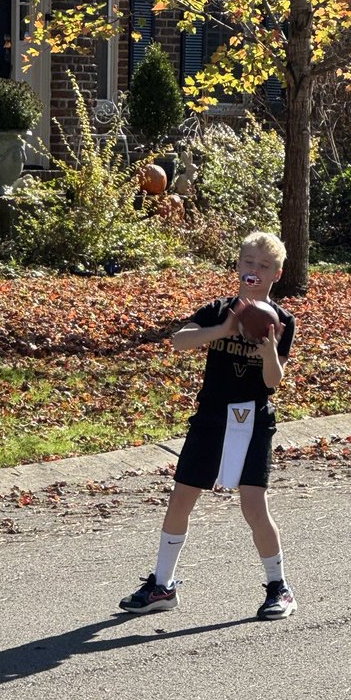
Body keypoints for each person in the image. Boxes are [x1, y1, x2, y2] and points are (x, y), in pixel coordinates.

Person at [119, 230, 297, 621]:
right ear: (237, 265)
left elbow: (273, 382)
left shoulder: (280, 321)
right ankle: (162, 586)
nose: (255, 270)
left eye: (264, 266)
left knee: (253, 506)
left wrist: (268, 351)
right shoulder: (217, 309)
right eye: (248, 262)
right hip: (212, 414)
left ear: (277, 274)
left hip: (253, 418)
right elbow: (179, 341)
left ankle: (278, 588)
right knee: (181, 498)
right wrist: (223, 330)